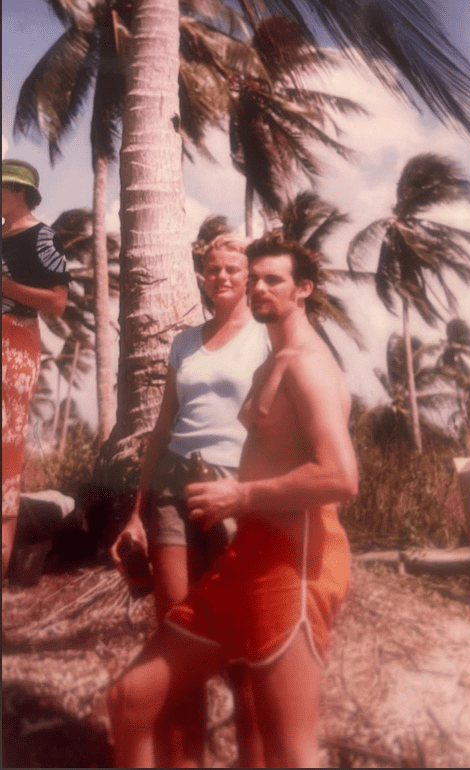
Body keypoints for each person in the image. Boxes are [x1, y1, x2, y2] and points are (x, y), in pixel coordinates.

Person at [107, 230, 358, 768]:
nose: (260, 287)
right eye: (257, 277)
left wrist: (242, 494)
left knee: (287, 750)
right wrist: (140, 513)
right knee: (130, 700)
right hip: (243, 558)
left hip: (290, 566)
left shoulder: (307, 363)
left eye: (273, 279)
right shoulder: (272, 360)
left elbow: (341, 477)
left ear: (303, 289)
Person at [109, 233, 270, 767]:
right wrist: (136, 514)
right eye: (212, 268)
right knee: (177, 634)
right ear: (202, 275)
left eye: (232, 269)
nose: (221, 276)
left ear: (248, 277)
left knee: (245, 642)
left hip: (233, 489)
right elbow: (162, 429)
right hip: (172, 486)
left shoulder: (265, 338)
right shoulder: (184, 343)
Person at [2, 159, 70, 582]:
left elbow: (57, 301)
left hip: (14, 339)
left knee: (6, 448)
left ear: (18, 191)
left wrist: (4, 285)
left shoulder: (42, 236)